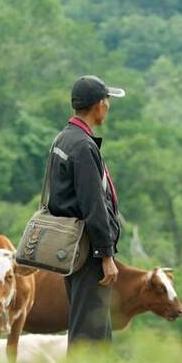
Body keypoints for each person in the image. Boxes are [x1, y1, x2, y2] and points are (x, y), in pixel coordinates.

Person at [47, 75, 125, 348]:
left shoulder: (64, 139)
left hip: (72, 250)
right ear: (99, 105)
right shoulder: (82, 145)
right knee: (88, 335)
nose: (108, 107)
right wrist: (106, 254)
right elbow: (93, 205)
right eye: (107, 101)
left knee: (98, 332)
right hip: (88, 251)